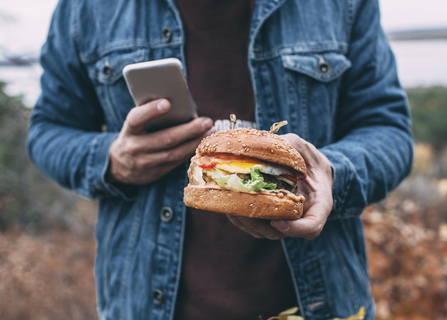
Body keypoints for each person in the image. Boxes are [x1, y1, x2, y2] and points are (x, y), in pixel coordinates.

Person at [27, 0, 414, 319]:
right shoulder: (86, 8)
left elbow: (388, 130)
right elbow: (47, 131)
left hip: (320, 303)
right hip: (145, 306)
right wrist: (111, 159)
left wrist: (331, 173)